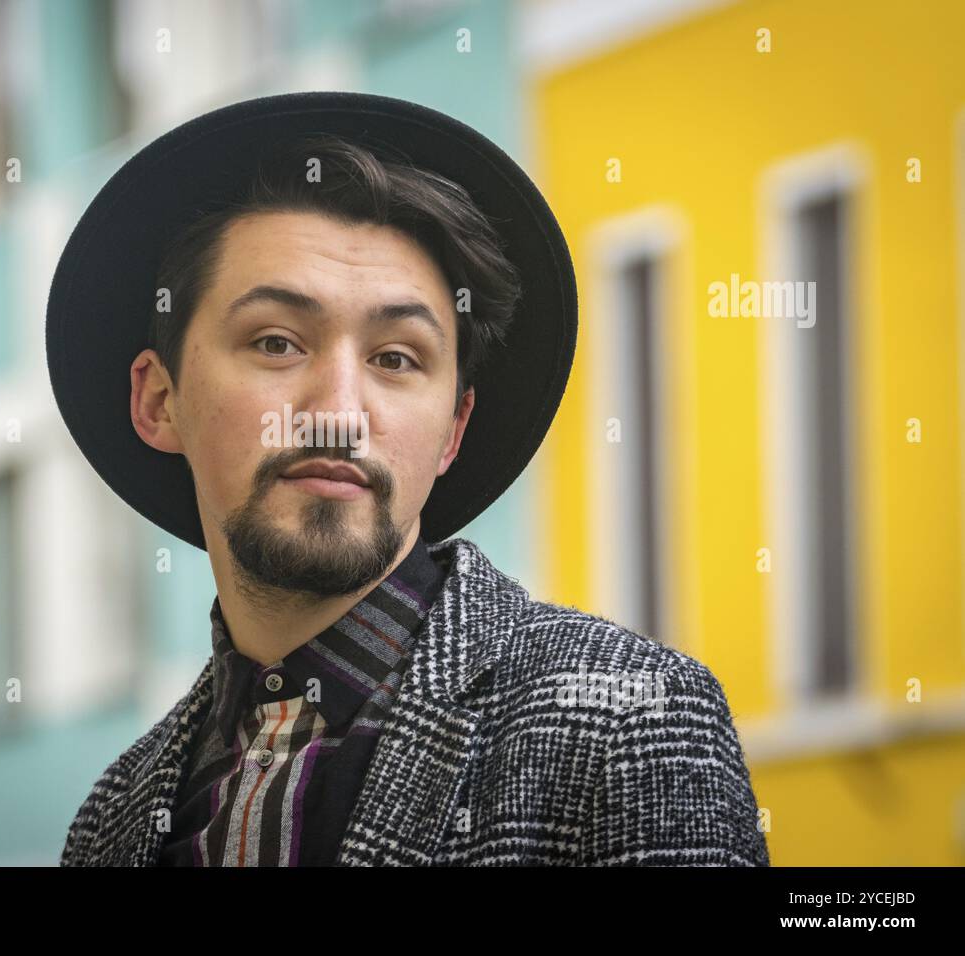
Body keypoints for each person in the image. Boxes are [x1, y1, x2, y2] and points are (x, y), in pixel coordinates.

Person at [46, 91, 769, 866]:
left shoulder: (630, 719)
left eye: (396, 359)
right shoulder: (112, 821)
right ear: (160, 401)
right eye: (278, 342)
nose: (339, 412)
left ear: (452, 431)